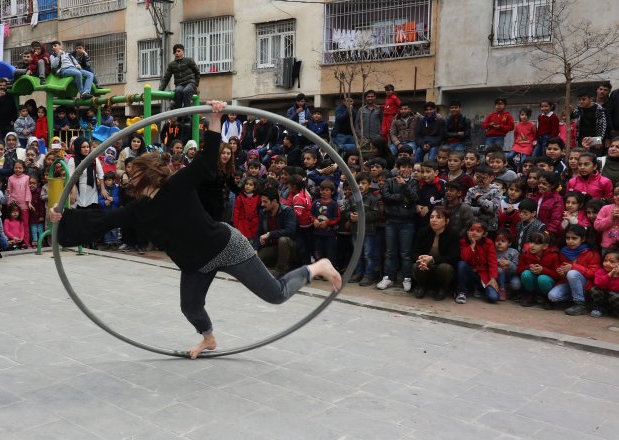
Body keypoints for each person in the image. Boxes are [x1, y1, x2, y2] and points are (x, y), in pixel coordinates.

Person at [51, 103, 341, 359]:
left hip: (226, 247)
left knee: (276, 295)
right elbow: (101, 221)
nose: (129, 177)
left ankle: (318, 267)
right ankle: (208, 338)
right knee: (190, 308)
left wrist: (216, 117)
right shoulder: (137, 208)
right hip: (195, 264)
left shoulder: (178, 184)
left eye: (134, 173)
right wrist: (61, 218)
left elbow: (206, 159)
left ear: (148, 174)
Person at [378, 156, 418, 292]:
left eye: (408, 167)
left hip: (407, 222)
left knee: (405, 253)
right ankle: (388, 277)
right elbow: (386, 197)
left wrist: (404, 185)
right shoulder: (389, 181)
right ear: (398, 168)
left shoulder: (413, 183)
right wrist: (402, 198)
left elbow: (414, 198)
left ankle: (407, 278)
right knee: (390, 252)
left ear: (412, 169)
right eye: (403, 167)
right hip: (391, 221)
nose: (405, 170)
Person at [548, 224, 600, 316]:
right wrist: (562, 273)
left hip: (586, 285)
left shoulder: (591, 253)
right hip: (568, 282)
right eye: (568, 238)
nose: (570, 241)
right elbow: (563, 273)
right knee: (552, 296)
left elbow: (593, 274)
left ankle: (580, 304)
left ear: (583, 239)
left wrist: (574, 267)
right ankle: (582, 299)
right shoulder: (564, 251)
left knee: (572, 273)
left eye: (574, 238)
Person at [411, 207, 459, 300]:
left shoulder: (453, 234)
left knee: (445, 268)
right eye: (431, 217)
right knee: (416, 266)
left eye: (438, 217)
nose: (434, 220)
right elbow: (413, 253)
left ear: (446, 221)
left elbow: (454, 257)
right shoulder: (423, 232)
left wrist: (432, 259)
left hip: (441, 267)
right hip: (426, 266)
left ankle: (442, 288)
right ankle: (421, 286)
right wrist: (422, 259)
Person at [457, 222, 499, 304]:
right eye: (471, 230)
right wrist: (472, 244)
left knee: (493, 297)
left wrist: (493, 279)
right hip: (469, 272)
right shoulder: (463, 241)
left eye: (478, 231)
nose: (474, 233)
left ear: (484, 234)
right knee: (461, 264)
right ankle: (462, 292)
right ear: (467, 231)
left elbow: (492, 261)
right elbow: (464, 258)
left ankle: (479, 288)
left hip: (483, 274)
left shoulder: (489, 243)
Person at [518, 232, 559, 307]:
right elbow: (519, 269)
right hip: (533, 283)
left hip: (546, 283)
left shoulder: (553, 255)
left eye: (536, 244)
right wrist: (529, 267)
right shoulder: (526, 253)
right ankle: (530, 295)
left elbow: (557, 275)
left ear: (545, 246)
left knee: (542, 278)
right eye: (531, 242)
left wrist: (543, 270)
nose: (532, 245)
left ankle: (547, 298)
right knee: (526, 274)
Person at [158, 44, 200, 110]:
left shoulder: (189, 61)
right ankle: (179, 115)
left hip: (190, 83)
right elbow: (166, 78)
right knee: (178, 91)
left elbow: (197, 72)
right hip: (180, 85)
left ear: (183, 52)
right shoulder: (172, 65)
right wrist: (160, 90)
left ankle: (187, 115)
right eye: (175, 52)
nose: (176, 53)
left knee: (186, 91)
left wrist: (196, 85)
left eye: (178, 51)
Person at [590, 250, 619, 317]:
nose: (607, 263)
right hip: (604, 296)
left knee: (615, 296)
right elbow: (599, 284)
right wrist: (609, 275)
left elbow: (615, 289)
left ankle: (614, 310)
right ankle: (599, 308)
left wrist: (616, 276)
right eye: (605, 261)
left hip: (615, 296)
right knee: (594, 289)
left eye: (612, 261)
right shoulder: (600, 271)